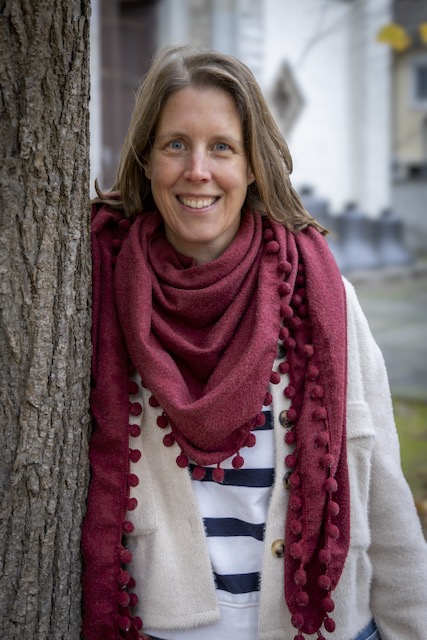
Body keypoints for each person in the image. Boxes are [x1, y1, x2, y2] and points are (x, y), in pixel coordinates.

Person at [82, 45, 427, 640]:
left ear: (251, 166)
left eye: (222, 147)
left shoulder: (322, 297)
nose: (198, 170)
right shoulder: (103, 294)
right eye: (175, 145)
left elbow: (385, 492)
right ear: (146, 162)